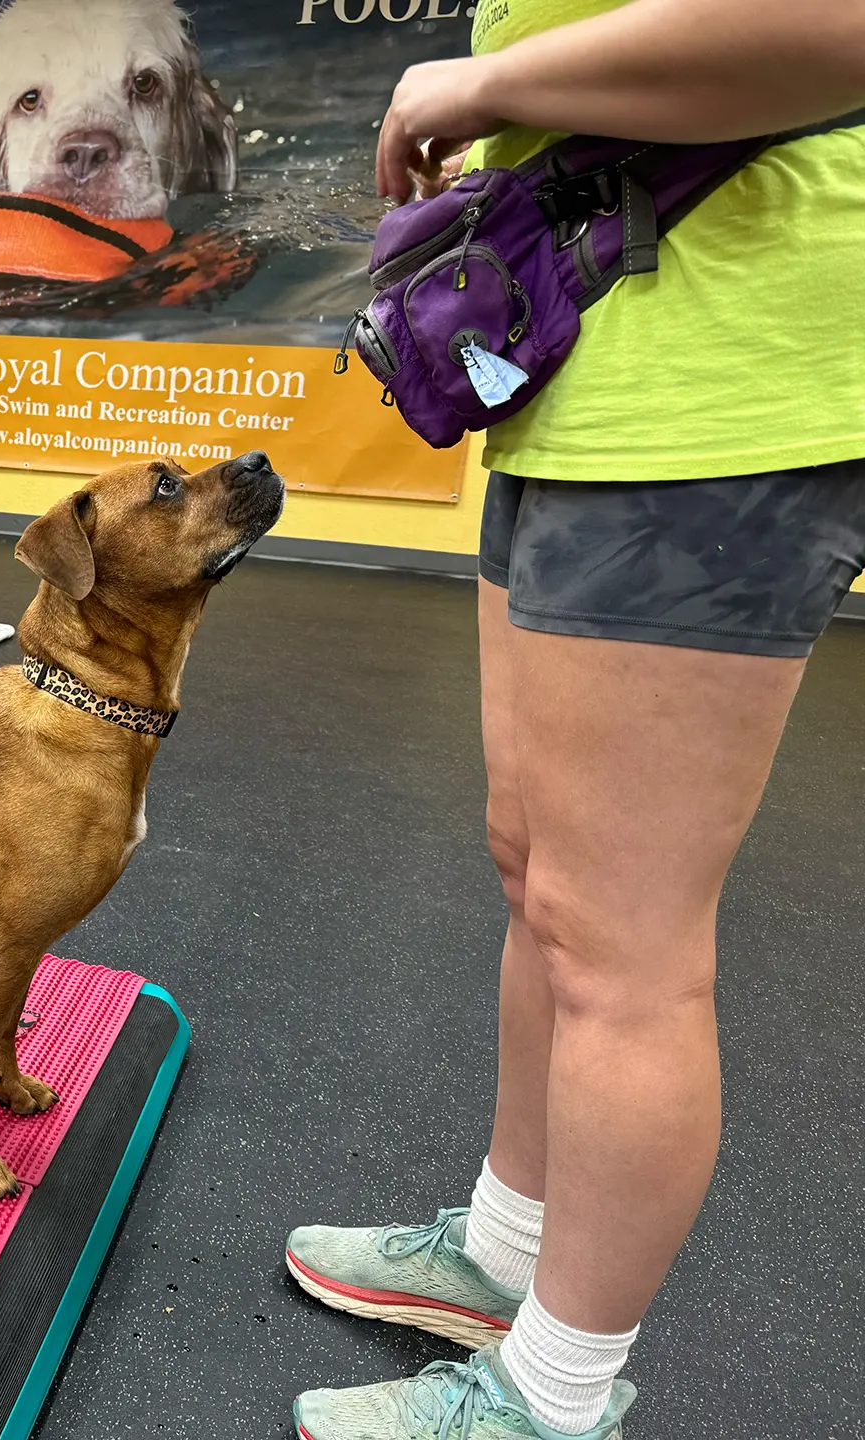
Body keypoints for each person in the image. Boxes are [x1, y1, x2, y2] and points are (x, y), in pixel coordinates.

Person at [281, 3, 865, 1438]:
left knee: (623, 948)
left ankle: (555, 1398)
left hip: (726, 385)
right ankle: (505, 1255)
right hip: (584, 360)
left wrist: (478, 80)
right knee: (535, 871)